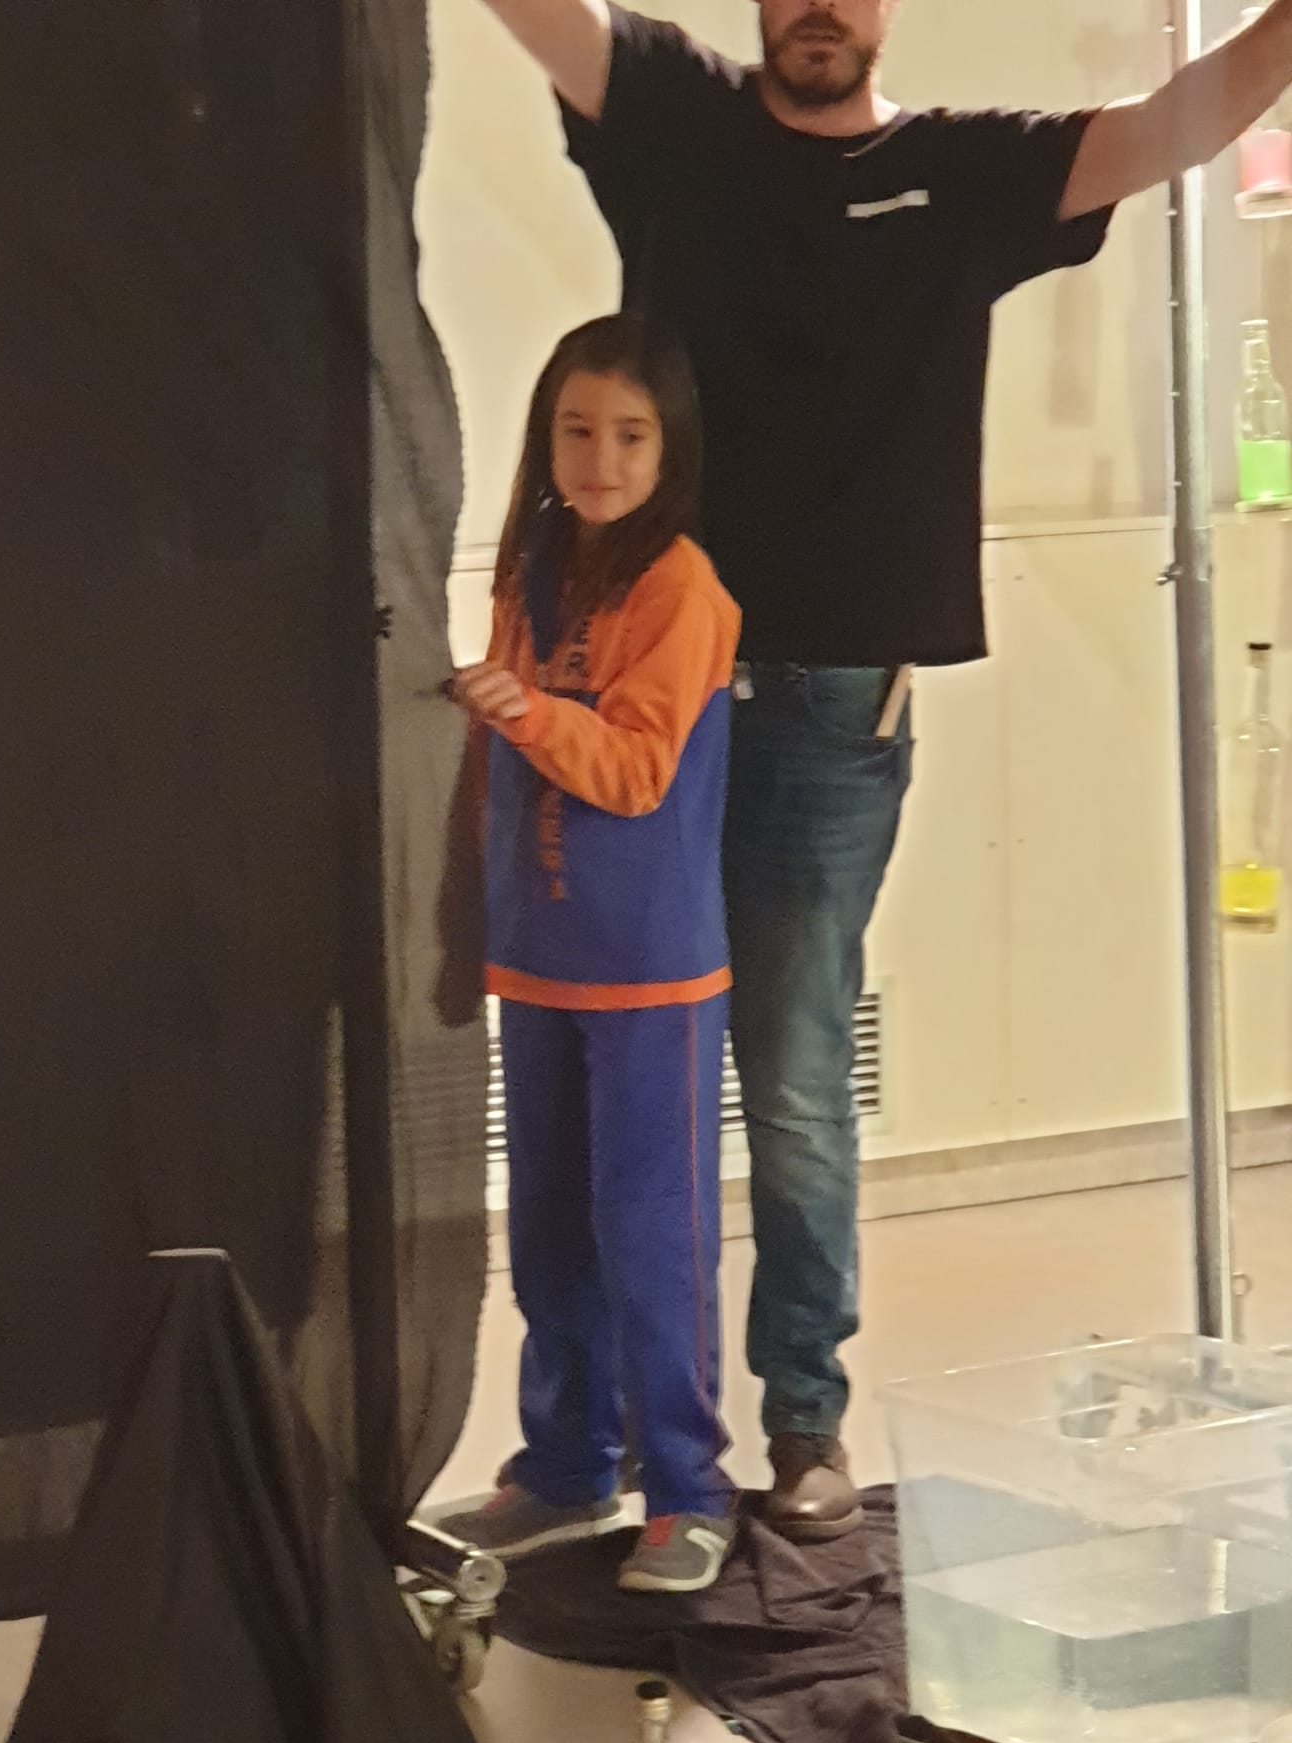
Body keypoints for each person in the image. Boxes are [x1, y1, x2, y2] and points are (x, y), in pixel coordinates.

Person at [477, 0, 1292, 1539]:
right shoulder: (677, 118)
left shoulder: (967, 176)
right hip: (639, 683)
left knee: (793, 1082)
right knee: (587, 1089)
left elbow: (1176, 122)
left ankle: (803, 1421)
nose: (822, 10)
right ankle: (584, 1443)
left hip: (830, 711)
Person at [442, 314, 743, 1594]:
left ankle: (689, 1490)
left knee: (652, 1231)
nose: (600, 459)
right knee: (552, 1227)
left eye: (629, 435)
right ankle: (568, 1462)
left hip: (651, 972)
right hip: (539, 956)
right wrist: (469, 917)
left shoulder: (682, 588)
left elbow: (632, 771)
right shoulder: (533, 564)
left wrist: (526, 710)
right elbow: (493, 767)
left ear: (669, 449)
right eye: (576, 430)